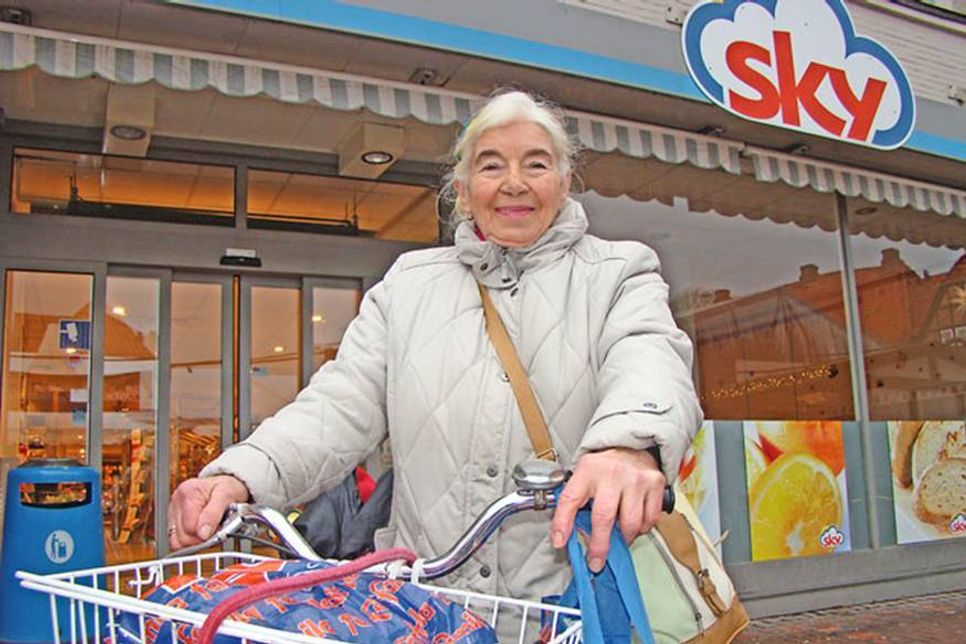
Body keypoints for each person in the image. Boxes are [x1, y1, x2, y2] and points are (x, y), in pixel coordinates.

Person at [169, 89, 703, 603]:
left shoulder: (617, 273)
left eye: (536, 165)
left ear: (564, 184)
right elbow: (338, 405)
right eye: (491, 166)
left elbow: (649, 357)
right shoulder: (408, 285)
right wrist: (242, 475)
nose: (514, 183)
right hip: (428, 601)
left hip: (563, 602)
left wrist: (628, 444)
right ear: (464, 190)